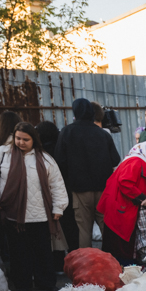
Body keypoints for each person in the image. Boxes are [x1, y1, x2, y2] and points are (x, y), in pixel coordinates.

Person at [0, 122, 68, 291]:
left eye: (25, 140)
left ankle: (45, 282)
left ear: (34, 140)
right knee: (18, 252)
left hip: (40, 214)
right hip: (13, 213)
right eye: (18, 138)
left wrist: (58, 207)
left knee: (42, 251)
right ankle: (22, 284)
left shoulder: (45, 159)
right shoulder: (2, 154)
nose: (21, 142)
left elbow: (56, 184)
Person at [54, 98, 121, 250]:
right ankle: (111, 262)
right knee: (107, 228)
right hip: (103, 191)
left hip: (79, 190)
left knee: (84, 230)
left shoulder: (67, 132)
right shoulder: (103, 134)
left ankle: (86, 266)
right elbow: (115, 159)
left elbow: (59, 161)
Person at [97, 141, 146, 264]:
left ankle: (124, 266)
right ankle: (122, 267)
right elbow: (125, 182)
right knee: (119, 242)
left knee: (122, 241)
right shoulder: (136, 162)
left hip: (124, 205)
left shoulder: (141, 162)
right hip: (120, 206)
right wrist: (142, 198)